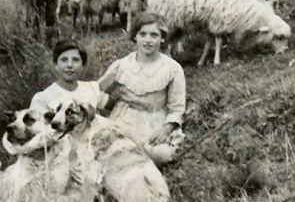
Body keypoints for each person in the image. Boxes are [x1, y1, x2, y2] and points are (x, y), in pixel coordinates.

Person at [98, 12, 187, 165]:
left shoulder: (172, 69)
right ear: (135, 37)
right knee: (109, 149)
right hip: (124, 119)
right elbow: (95, 89)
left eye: (154, 35)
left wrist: (165, 130)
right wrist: (107, 104)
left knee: (158, 154)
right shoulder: (122, 65)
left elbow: (177, 108)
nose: (148, 40)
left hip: (154, 121)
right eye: (143, 34)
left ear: (162, 38)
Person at [29, 39, 107, 186]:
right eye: (64, 60)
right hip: (62, 157)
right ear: (55, 65)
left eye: (75, 60)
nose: (70, 65)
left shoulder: (91, 88)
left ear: (83, 66)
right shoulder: (43, 97)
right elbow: (38, 135)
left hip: (93, 153)